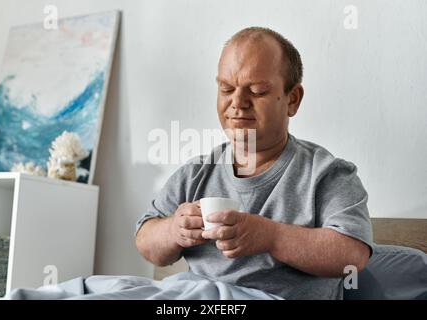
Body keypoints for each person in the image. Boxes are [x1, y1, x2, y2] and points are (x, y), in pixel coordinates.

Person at [135, 27, 373, 300]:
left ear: (292, 100)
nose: (237, 103)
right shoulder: (196, 173)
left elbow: (352, 258)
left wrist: (270, 237)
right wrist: (173, 230)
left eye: (257, 91)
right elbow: (145, 241)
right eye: (226, 88)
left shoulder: (328, 174)